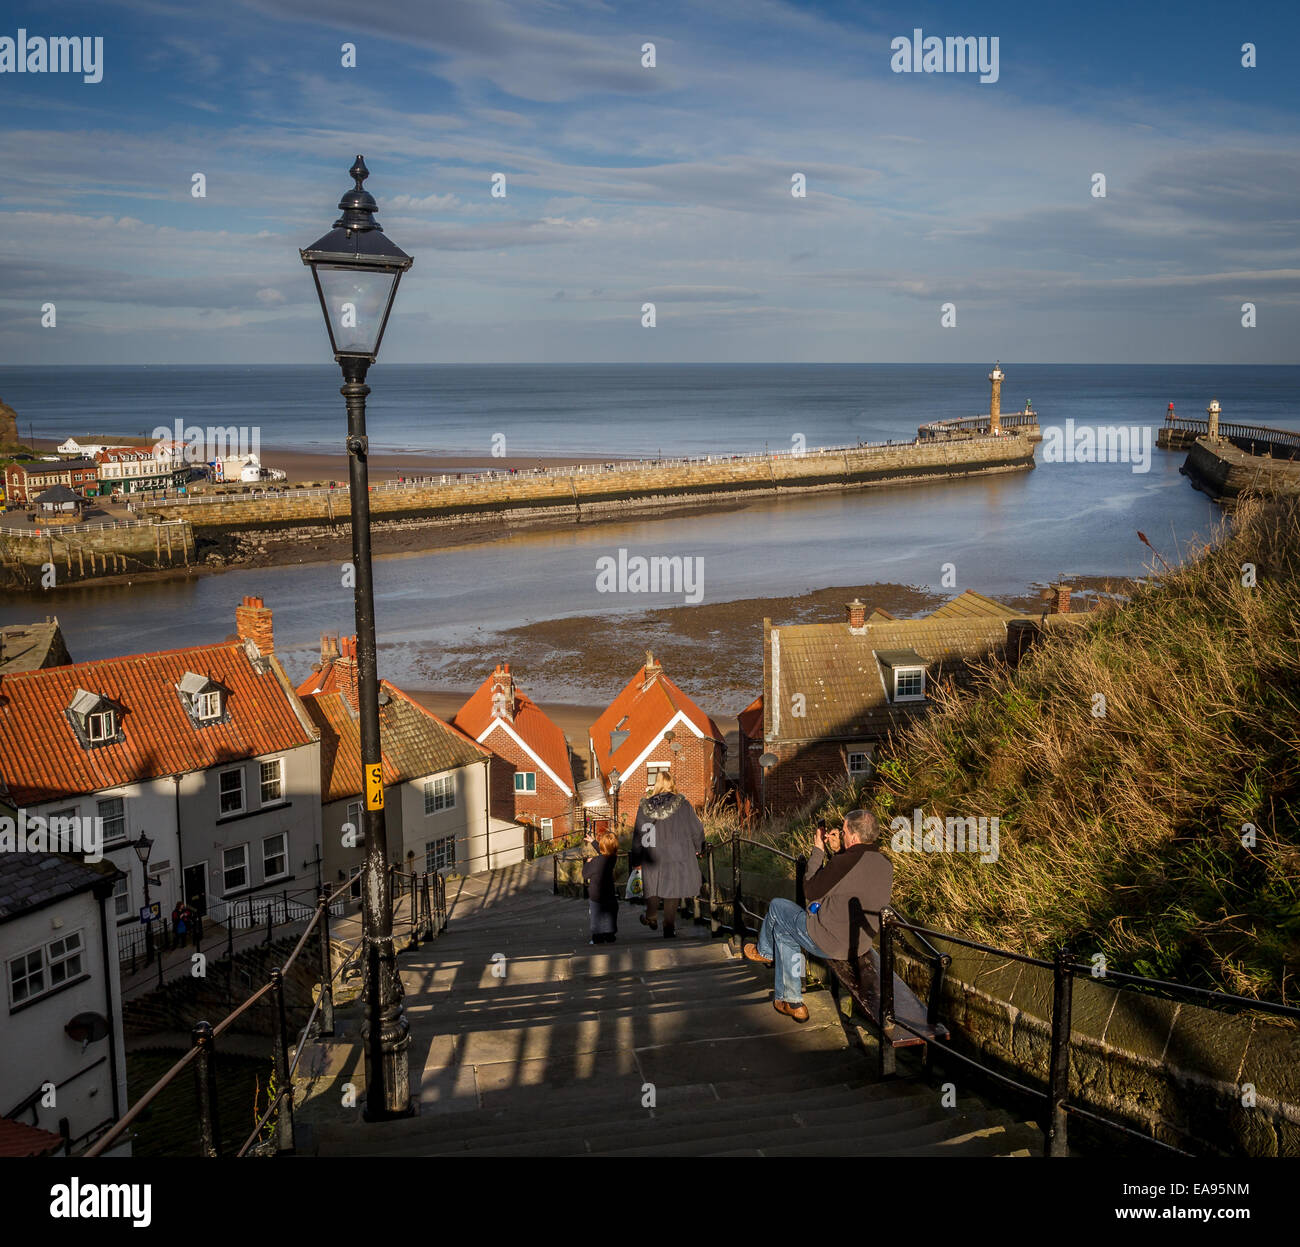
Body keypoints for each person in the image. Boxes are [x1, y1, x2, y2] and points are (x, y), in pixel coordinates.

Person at [743, 809, 892, 1023]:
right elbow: (848, 878)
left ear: (853, 836)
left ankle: (765, 952)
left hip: (830, 941)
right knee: (784, 932)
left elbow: (811, 891)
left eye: (843, 831)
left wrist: (818, 850)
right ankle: (793, 1003)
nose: (841, 834)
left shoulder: (844, 864)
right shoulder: (884, 864)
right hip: (860, 943)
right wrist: (839, 852)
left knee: (777, 907)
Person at [630, 770, 705, 939]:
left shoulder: (645, 807)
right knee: (672, 890)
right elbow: (696, 828)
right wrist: (700, 847)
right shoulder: (683, 805)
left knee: (653, 887)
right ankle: (669, 927)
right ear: (672, 783)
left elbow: (639, 834)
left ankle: (651, 916)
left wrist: (636, 858)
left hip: (652, 854)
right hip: (676, 854)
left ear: (656, 784)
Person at [583, 830, 620, 944]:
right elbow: (605, 852)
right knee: (610, 914)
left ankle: (597, 937)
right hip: (609, 893)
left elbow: (585, 874)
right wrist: (593, 841)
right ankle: (609, 935)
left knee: (596, 915)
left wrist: (588, 863)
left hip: (596, 895)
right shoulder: (613, 858)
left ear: (601, 846)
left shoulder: (595, 861)